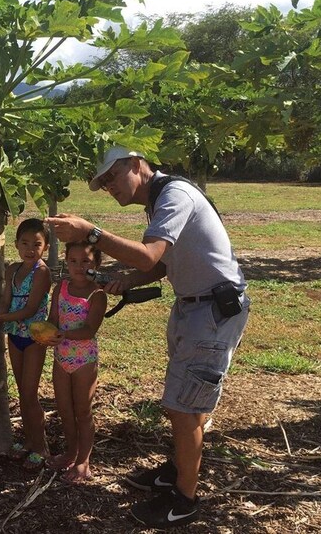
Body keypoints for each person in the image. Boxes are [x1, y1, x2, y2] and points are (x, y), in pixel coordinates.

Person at [46, 146, 250, 529]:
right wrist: (130, 280)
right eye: (103, 184)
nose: (109, 187)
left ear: (138, 165)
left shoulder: (174, 196)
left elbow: (147, 255)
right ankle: (177, 471)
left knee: (184, 406)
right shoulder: (158, 201)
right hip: (195, 307)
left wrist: (91, 232)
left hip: (211, 311)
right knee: (186, 399)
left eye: (112, 177)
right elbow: (158, 264)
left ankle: (185, 500)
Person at [0, 218, 52, 470]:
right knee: (22, 394)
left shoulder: (42, 273)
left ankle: (41, 446)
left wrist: (1, 318)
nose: (30, 249)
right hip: (14, 334)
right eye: (25, 243)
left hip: (34, 337)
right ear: (15, 244)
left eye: (36, 244)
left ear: (44, 247)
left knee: (29, 394)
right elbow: (5, 301)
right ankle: (29, 442)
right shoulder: (13, 270)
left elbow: (30, 309)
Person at [45, 241, 107, 484]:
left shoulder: (97, 294)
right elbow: (52, 318)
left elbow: (89, 330)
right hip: (61, 358)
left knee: (83, 410)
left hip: (83, 360)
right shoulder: (61, 287)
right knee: (64, 409)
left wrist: (61, 334)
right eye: (73, 261)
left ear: (97, 264)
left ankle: (84, 460)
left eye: (86, 261)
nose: (78, 266)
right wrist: (46, 334)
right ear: (66, 261)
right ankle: (71, 452)